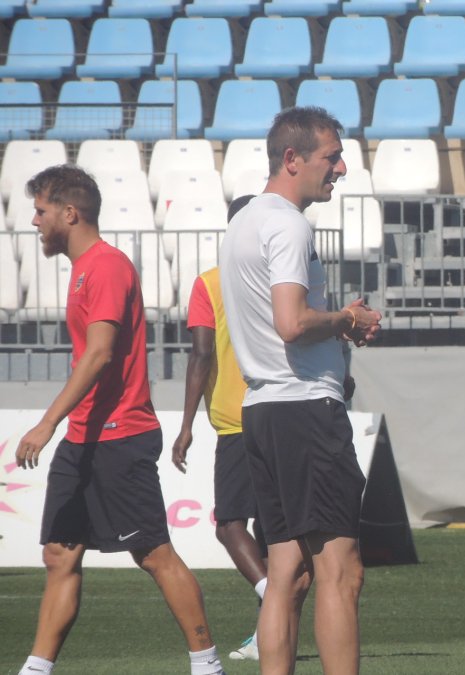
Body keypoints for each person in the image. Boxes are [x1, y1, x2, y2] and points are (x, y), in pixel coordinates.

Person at [13, 165, 225, 675]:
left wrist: (46, 423)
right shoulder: (85, 268)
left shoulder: (105, 267)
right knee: (60, 555)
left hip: (119, 436)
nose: (34, 221)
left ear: (70, 212)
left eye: (40, 210)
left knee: (153, 554)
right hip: (84, 437)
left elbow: (101, 353)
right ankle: (36, 669)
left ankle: (207, 664)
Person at [218, 106, 381, 675]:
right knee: (341, 569)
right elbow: (291, 322)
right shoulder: (288, 223)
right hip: (304, 409)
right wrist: (344, 319)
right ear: (292, 159)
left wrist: (338, 322)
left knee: (287, 572)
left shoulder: (241, 222)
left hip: (262, 410)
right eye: (331, 157)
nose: (340, 169)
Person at [171, 193, 266, 662]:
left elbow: (202, 353)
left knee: (230, 525)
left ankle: (272, 599)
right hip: (284, 413)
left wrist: (186, 424)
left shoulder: (210, 283)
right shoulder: (279, 280)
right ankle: (266, 633)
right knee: (277, 532)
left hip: (236, 420)